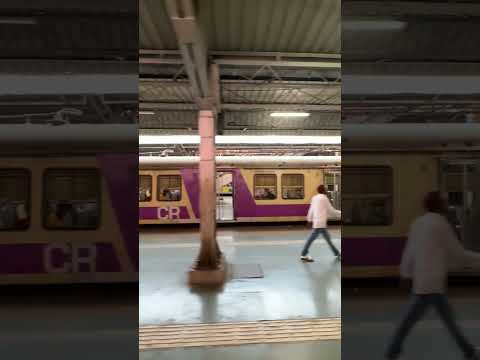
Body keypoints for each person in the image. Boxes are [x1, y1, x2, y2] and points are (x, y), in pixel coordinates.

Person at [385, 191, 480, 360]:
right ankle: (469, 352)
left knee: (412, 321)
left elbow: (409, 252)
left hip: (421, 283)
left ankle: (392, 351)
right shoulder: (441, 224)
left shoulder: (417, 223)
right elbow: (458, 253)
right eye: (444, 202)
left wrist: (405, 274)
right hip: (434, 285)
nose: (446, 205)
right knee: (446, 322)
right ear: (439, 205)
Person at [300, 184, 341, 262]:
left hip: (317, 222)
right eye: (325, 189)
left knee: (327, 238)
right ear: (324, 190)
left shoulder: (314, 198)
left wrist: (309, 219)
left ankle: (336, 253)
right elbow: (331, 211)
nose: (326, 191)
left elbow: (311, 210)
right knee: (311, 239)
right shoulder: (324, 198)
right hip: (321, 223)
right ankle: (303, 254)